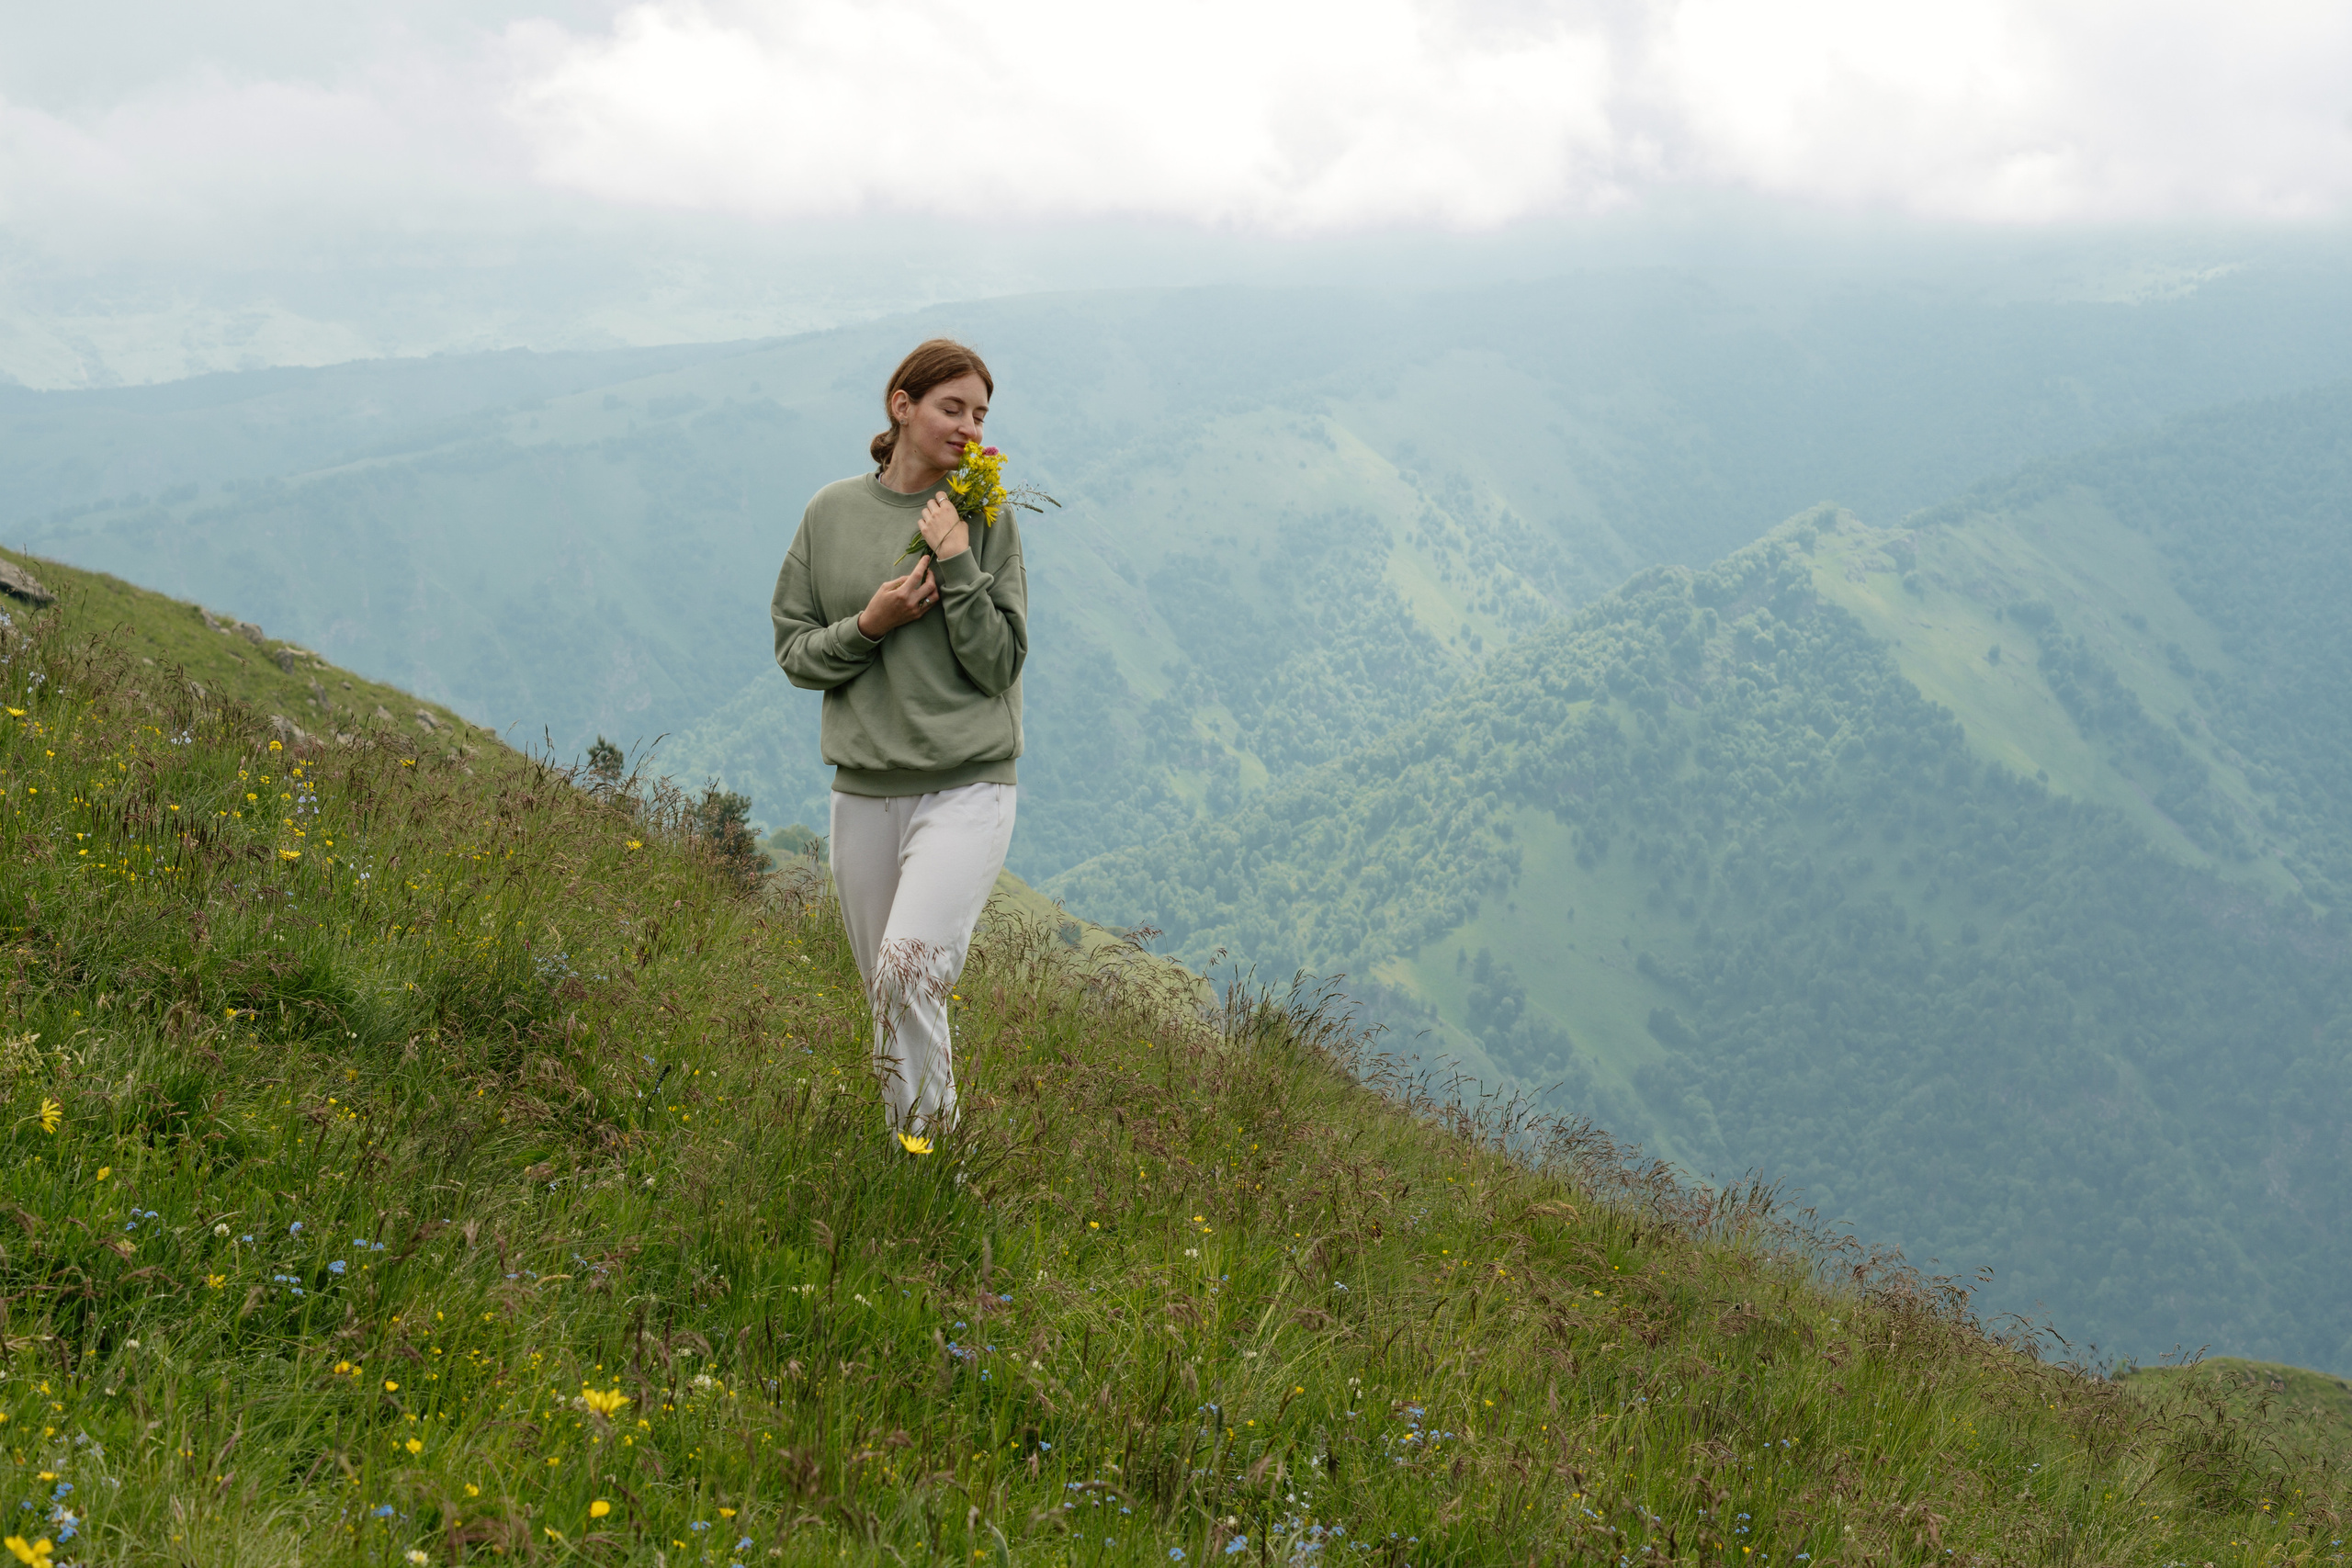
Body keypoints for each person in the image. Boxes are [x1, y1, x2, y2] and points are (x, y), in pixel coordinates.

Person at [770, 339, 1026, 1153]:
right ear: (901, 405)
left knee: (908, 973)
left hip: (968, 784)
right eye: (953, 407)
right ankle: (920, 1167)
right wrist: (869, 627)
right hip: (865, 788)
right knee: (889, 996)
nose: (969, 427)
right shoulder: (830, 512)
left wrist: (956, 560)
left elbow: (999, 664)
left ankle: (932, 1175)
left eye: (981, 414)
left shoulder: (986, 516)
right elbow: (794, 652)